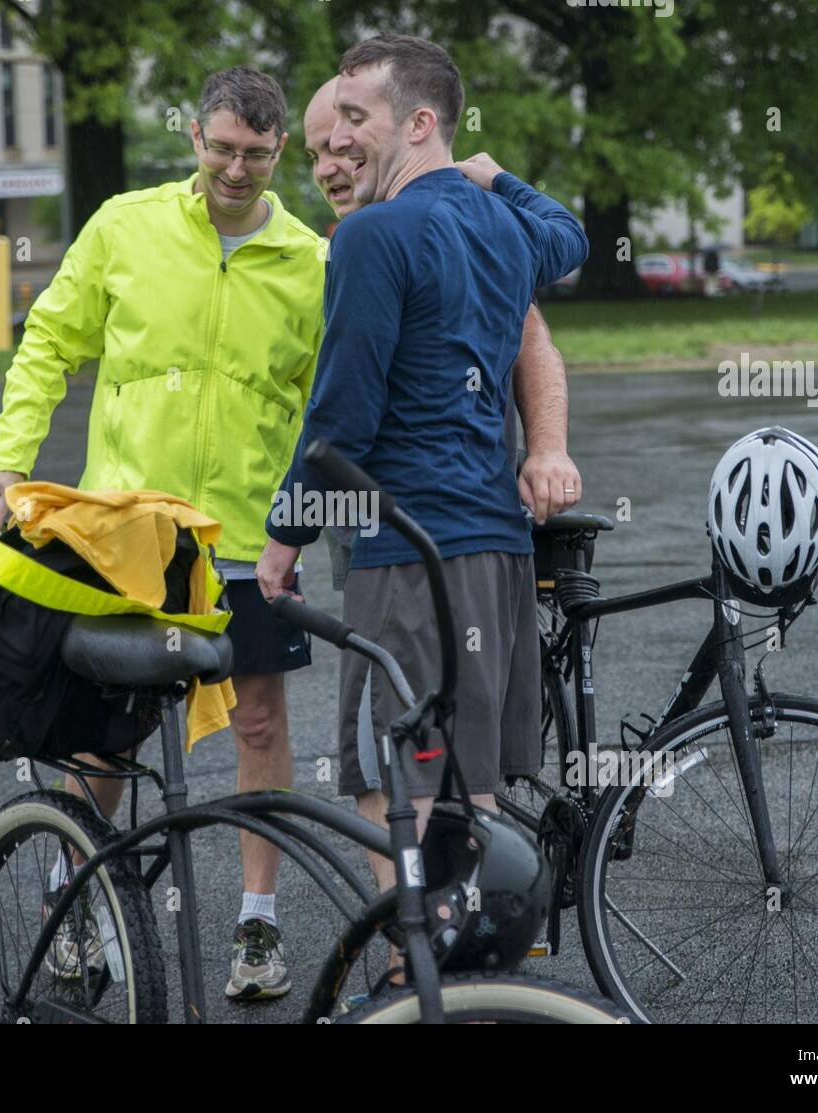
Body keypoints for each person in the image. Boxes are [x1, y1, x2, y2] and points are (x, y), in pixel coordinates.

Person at [0, 65, 325, 1001]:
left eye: (255, 153)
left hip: (249, 539)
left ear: (280, 149)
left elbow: (326, 405)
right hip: (129, 536)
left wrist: (316, 514)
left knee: (258, 718)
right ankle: (77, 898)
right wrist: (7, 460)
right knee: (108, 728)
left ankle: (258, 922)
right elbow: (48, 339)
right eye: (221, 148)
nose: (236, 169)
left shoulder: (309, 262)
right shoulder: (126, 226)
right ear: (195, 139)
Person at [258, 37, 587, 913]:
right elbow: (570, 236)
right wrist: (498, 178)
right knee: (471, 780)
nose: (339, 140)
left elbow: (340, 420)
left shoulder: (372, 234)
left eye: (354, 119)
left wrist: (285, 535)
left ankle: (423, 977)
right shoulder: (506, 226)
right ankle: (476, 978)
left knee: (398, 776)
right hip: (498, 546)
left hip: (406, 548)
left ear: (419, 121)